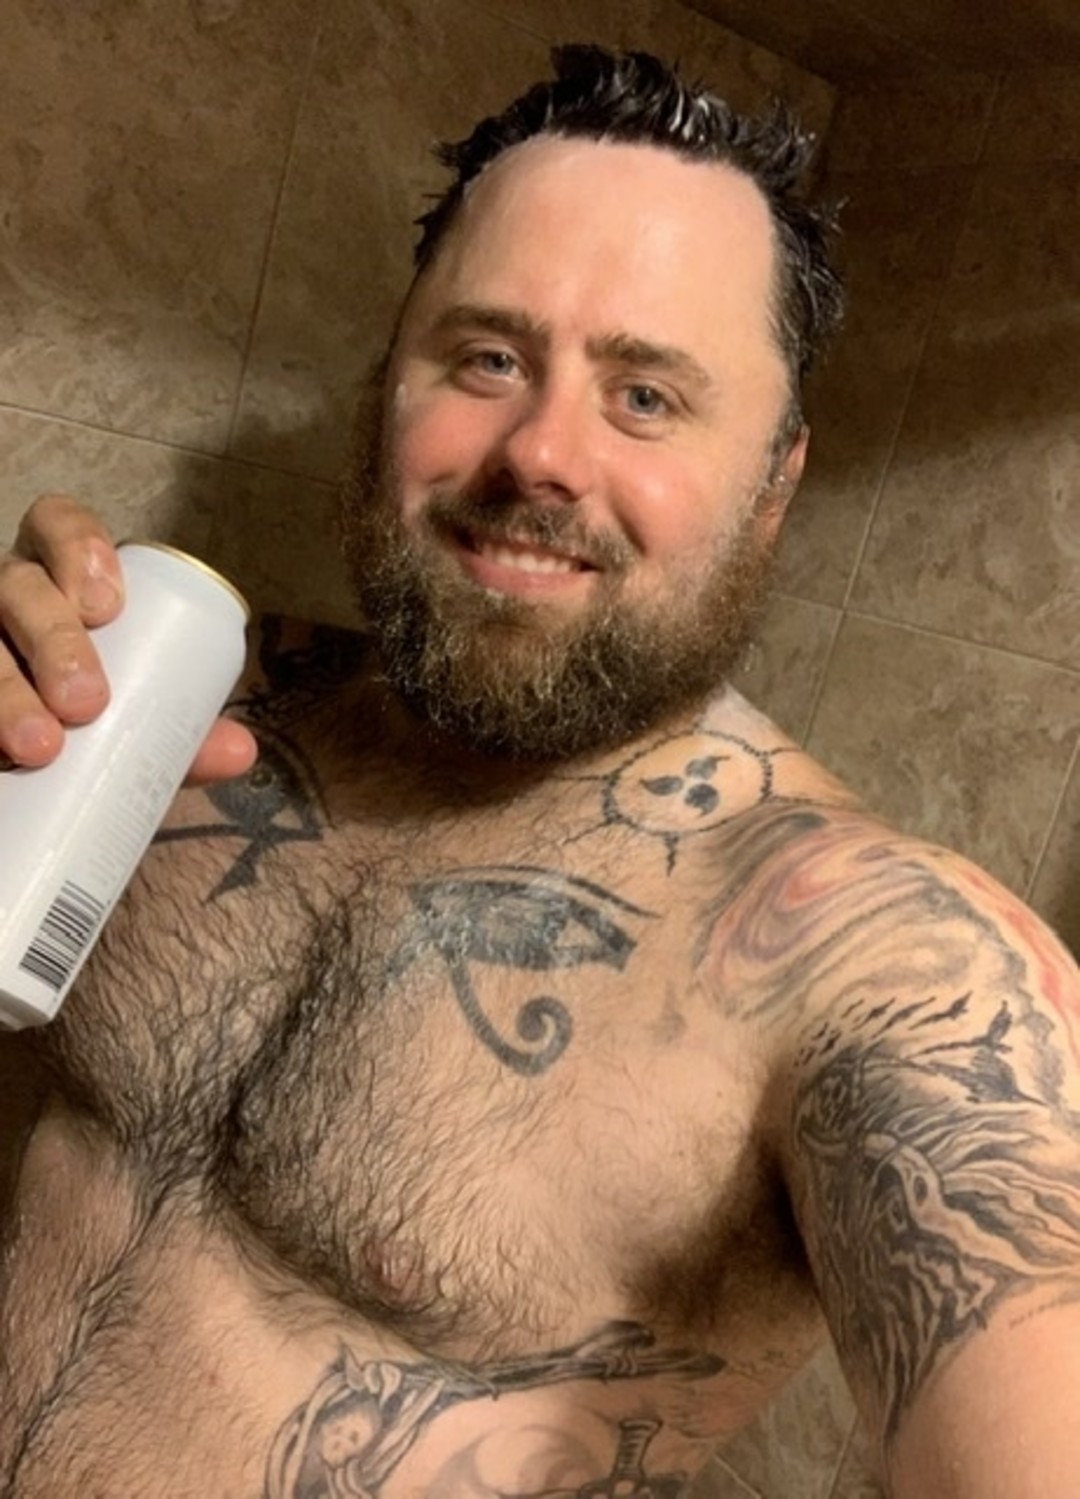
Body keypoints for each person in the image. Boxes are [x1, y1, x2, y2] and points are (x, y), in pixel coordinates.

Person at [0, 43, 1077, 1499]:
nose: (542, 454)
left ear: (775, 482)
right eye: (490, 359)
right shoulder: (196, 708)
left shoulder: (880, 965)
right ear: (388, 383)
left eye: (646, 397)